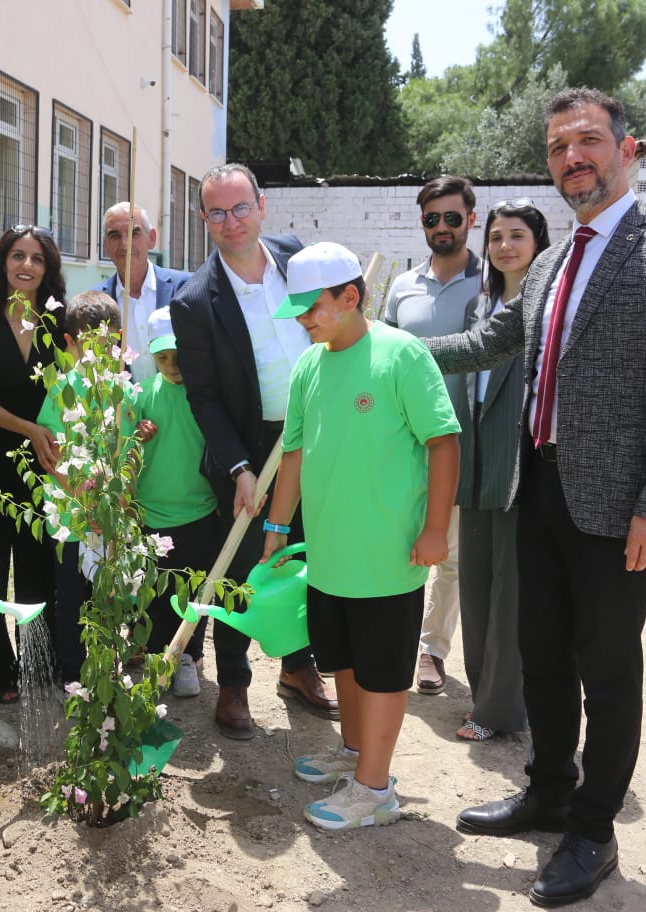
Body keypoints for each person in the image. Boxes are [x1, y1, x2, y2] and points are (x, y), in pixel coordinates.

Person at [428, 88, 646, 906]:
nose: (572, 157)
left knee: (607, 666)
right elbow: (493, 340)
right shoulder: (553, 261)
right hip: (541, 486)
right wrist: (392, 345)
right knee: (542, 655)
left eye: (588, 141)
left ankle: (593, 829)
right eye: (559, 146)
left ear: (627, 150)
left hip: (619, 506)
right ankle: (550, 791)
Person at [265, 242, 459, 831]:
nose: (303, 320)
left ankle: (375, 789)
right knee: (343, 660)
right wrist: (276, 527)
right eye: (296, 310)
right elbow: (293, 454)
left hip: (387, 553)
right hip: (328, 552)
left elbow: (443, 441)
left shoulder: (401, 355)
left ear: (351, 297)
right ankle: (354, 754)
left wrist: (435, 529)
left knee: (381, 669)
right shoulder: (309, 365)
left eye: (313, 307)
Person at [170, 163, 337, 741]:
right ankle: (235, 683)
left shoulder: (297, 259)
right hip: (248, 447)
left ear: (262, 206)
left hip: (313, 433)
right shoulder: (194, 300)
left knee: (306, 556)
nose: (231, 221)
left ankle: (298, 667)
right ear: (203, 219)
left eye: (241, 207)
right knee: (241, 566)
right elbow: (205, 397)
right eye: (217, 211)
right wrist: (239, 466)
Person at [382, 175, 483, 697]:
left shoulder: (490, 284)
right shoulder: (402, 287)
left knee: (451, 554)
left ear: (471, 218)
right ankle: (393, 641)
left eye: (451, 217)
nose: (441, 227)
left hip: (461, 440)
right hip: (402, 439)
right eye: (431, 218)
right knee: (400, 540)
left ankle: (432, 650)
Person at [454, 199, 551, 743]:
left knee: (510, 596)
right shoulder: (481, 304)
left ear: (538, 244)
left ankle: (497, 711)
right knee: (475, 588)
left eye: (517, 235)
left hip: (518, 466)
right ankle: (481, 696)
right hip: (475, 463)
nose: (505, 246)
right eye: (495, 237)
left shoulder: (544, 309)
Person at [0, 225, 67, 700]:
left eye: (37, 259)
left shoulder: (60, 319)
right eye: (17, 255)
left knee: (37, 565)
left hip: (48, 461)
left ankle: (37, 664)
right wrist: (30, 429)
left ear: (47, 269)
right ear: (2, 261)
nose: (26, 266)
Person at [35, 290, 130, 683]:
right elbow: (53, 456)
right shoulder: (62, 387)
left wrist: (118, 500)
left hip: (111, 516)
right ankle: (73, 672)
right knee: (72, 597)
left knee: (110, 593)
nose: (100, 353)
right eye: (90, 345)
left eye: (109, 343)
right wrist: (87, 503)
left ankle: (107, 666)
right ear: (70, 343)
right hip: (72, 517)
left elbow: (126, 450)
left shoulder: (122, 387)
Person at [133, 307, 218, 697]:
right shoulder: (141, 396)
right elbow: (123, 452)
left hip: (200, 512)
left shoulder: (206, 395)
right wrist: (137, 438)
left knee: (194, 592)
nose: (172, 365)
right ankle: (155, 654)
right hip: (153, 514)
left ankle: (187, 656)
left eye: (178, 355)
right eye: (162, 357)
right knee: (154, 591)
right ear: (152, 355)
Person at [94, 202, 192, 382]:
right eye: (114, 235)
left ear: (152, 238)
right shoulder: (97, 303)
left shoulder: (186, 288)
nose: (125, 244)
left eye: (134, 232)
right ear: (105, 245)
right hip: (125, 409)